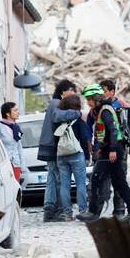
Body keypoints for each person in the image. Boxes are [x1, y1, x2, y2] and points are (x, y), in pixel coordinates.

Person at [77, 84, 130, 223]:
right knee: (119, 183)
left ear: (96, 98)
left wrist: (111, 149)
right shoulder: (101, 110)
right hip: (109, 149)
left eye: (89, 99)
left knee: (96, 179)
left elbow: (113, 130)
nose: (88, 102)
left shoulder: (105, 110)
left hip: (112, 150)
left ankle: (93, 212)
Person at [38, 80, 81, 222]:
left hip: (49, 145)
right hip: (52, 146)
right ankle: (55, 210)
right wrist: (76, 112)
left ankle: (49, 210)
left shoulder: (54, 103)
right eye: (71, 90)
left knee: (52, 178)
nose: (73, 93)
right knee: (56, 180)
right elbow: (58, 116)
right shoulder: (56, 103)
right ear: (63, 91)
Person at [98, 79, 130, 218]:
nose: (102, 94)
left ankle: (120, 209)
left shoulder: (121, 106)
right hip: (109, 149)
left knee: (116, 180)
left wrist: (115, 147)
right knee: (114, 180)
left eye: (104, 91)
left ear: (112, 91)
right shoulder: (103, 106)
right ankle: (127, 211)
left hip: (116, 149)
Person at [55, 95, 90, 221]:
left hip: (61, 155)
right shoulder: (79, 121)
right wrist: (87, 155)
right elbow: (85, 139)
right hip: (76, 154)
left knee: (64, 185)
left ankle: (67, 214)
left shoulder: (59, 121)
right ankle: (83, 211)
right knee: (80, 183)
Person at [0, 102, 26, 182]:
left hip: (16, 164)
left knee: (16, 192)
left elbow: (19, 148)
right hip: (4, 164)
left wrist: (22, 165)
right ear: (7, 114)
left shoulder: (16, 127)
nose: (18, 112)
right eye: (15, 110)